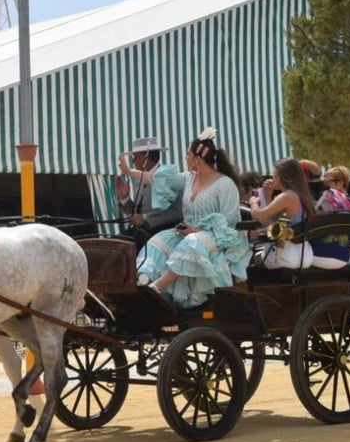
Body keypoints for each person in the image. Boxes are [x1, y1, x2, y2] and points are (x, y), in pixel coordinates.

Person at [133, 127, 251, 308]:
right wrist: (128, 170)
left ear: (198, 158)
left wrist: (198, 230)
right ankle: (144, 281)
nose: (185, 158)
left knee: (193, 243)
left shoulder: (225, 184)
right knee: (158, 241)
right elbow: (155, 178)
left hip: (220, 237)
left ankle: (157, 288)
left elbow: (229, 223)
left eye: (188, 154)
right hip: (189, 232)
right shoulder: (189, 178)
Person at [248, 157, 317, 270]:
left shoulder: (287, 196)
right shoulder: (302, 195)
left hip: (285, 255)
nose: (272, 177)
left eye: (274, 174)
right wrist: (267, 195)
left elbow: (260, 216)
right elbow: (275, 224)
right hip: (304, 255)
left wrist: (253, 203)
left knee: (247, 258)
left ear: (281, 176)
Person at [115, 137, 182, 247]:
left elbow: (177, 211)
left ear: (144, 158)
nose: (133, 162)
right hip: (143, 233)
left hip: (163, 234)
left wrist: (145, 218)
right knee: (114, 243)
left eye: (134, 158)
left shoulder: (167, 177)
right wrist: (125, 198)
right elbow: (136, 214)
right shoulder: (139, 179)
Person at [310, 165, 350, 269]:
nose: (322, 183)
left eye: (326, 181)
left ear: (340, 183)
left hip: (323, 254)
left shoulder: (325, 199)